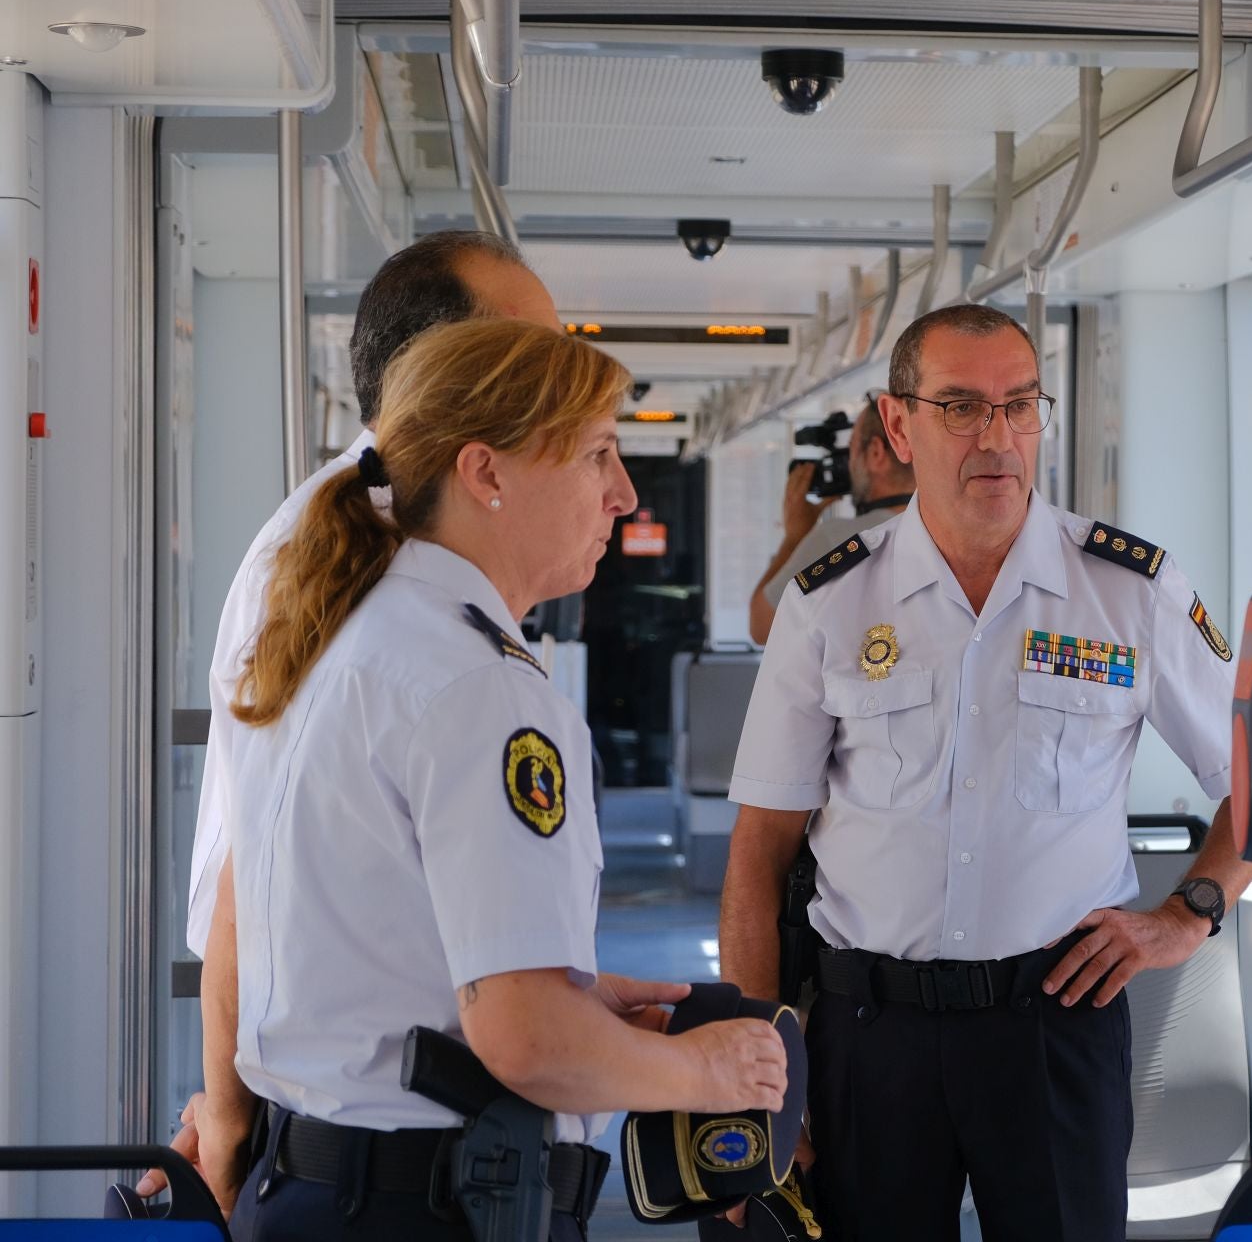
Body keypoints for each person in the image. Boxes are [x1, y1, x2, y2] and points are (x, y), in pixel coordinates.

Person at [212, 317, 788, 1240]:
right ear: (486, 474)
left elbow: (360, 943)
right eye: (599, 454)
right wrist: (713, 1073)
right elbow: (524, 1042)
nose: (625, 494)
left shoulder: (338, 639)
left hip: (312, 1186)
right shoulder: (481, 687)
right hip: (426, 1207)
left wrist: (573, 1000)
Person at [719, 303, 1252, 1242]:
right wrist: (760, 1068)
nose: (997, 438)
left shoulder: (1129, 591)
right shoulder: (831, 603)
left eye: (1019, 405)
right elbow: (758, 855)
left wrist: (1189, 915)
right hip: (867, 1033)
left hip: (1054, 1024)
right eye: (962, 407)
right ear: (900, 424)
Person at [144, 231, 564, 1213]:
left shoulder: (427, 537)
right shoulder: (331, 551)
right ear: (442, 374)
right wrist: (231, 1121)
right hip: (363, 1150)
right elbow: (247, 876)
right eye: (532, 353)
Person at [747, 400, 915, 644]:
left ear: (876, 452)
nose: (848, 465)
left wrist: (795, 537)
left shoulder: (837, 539)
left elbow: (762, 625)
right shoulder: (943, 532)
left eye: (853, 450)